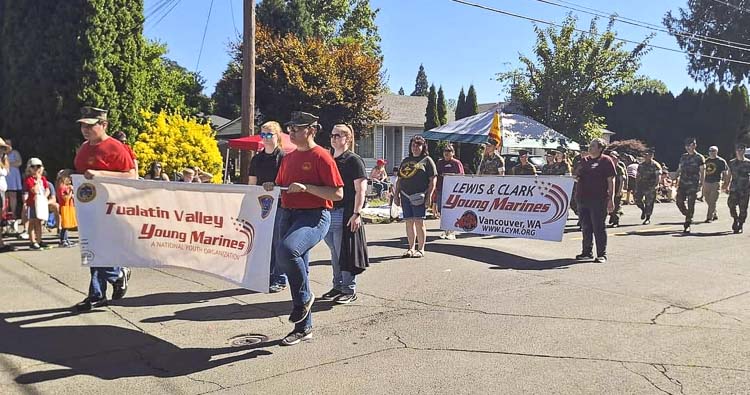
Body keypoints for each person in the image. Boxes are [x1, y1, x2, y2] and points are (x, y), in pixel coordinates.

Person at [271, 111, 343, 346]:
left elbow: (337, 193)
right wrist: (271, 186)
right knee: (296, 268)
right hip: (288, 215)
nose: (290, 132)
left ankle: (304, 299)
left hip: (315, 216)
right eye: (289, 128)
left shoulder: (322, 156)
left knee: (286, 251)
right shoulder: (288, 158)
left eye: (296, 129)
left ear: (311, 131)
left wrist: (306, 188)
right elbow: (282, 186)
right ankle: (304, 327)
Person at [73, 106, 136, 312]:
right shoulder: (84, 148)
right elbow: (83, 173)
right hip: (90, 206)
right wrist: (69, 172)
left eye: (90, 126)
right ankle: (99, 293)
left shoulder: (115, 147)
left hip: (111, 207)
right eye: (83, 125)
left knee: (100, 250)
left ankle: (116, 275)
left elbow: (131, 176)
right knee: (92, 249)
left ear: (104, 125)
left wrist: (101, 175)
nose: (85, 129)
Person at [322, 124, 368, 304]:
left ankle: (349, 289)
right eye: (332, 135)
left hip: (346, 212)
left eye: (338, 135)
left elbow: (361, 190)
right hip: (328, 211)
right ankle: (338, 285)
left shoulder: (354, 160)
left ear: (348, 139)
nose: (334, 138)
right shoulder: (329, 159)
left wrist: (357, 213)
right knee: (334, 252)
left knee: (345, 253)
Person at [248, 121, 287, 293]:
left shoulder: (284, 157)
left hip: (280, 206)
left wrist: (275, 185)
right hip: (261, 206)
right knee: (263, 243)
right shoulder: (257, 159)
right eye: (262, 135)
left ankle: (279, 277)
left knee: (278, 242)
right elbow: (252, 183)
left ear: (277, 136)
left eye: (269, 134)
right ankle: (267, 275)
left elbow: (287, 182)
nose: (265, 138)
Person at [394, 135, 437, 258]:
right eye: (413, 145)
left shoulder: (427, 160)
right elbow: (399, 179)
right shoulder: (405, 160)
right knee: (409, 222)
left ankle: (421, 248)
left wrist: (429, 195)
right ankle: (411, 248)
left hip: (419, 196)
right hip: (405, 195)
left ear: (423, 146)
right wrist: (396, 195)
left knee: (419, 221)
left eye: (418, 145)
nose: (415, 147)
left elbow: (433, 179)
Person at [575, 138, 616, 263]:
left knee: (598, 227)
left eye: (593, 146)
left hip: (599, 199)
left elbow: (611, 180)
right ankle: (587, 252)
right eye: (590, 145)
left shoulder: (606, 161)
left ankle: (601, 254)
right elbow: (577, 176)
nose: (590, 147)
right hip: (583, 198)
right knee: (586, 226)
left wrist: (611, 199)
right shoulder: (584, 160)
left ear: (600, 148)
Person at [675, 137, 706, 233]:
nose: (689, 147)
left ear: (695, 146)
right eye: (687, 146)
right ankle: (687, 214)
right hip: (683, 183)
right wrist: (675, 177)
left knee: (691, 203)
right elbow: (679, 169)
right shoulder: (683, 157)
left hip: (693, 183)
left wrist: (701, 183)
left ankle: (687, 223)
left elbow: (702, 171)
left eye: (691, 145)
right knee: (679, 201)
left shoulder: (699, 157)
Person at [436, 143, 464, 239]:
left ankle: (451, 231)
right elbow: (436, 174)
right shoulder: (440, 162)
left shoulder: (456, 163)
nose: (447, 153)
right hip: (441, 189)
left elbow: (461, 176)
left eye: (449, 151)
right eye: (445, 151)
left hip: (453, 191)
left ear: (453, 153)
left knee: (452, 210)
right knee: (441, 210)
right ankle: (445, 230)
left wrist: (450, 175)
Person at [22, 158, 50, 250]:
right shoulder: (29, 179)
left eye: (38, 166)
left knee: (39, 222)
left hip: (40, 203)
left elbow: (47, 189)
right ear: (29, 168)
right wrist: (37, 180)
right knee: (32, 222)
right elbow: (34, 190)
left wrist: (45, 196)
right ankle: (32, 241)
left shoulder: (43, 179)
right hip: (32, 203)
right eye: (33, 166)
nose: (36, 169)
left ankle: (39, 240)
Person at [724, 143, 750, 234]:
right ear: (736, 151)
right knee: (731, 204)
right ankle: (735, 218)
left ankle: (740, 224)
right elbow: (729, 175)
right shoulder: (732, 162)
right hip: (734, 188)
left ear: (744, 151)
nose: (739, 151)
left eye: (742, 149)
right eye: (738, 149)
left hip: (745, 189)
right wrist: (726, 185)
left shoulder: (748, 163)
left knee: (743, 208)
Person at [634, 149, 661, 225]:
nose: (646, 156)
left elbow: (658, 176)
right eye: (645, 155)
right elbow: (638, 175)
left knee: (649, 202)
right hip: (641, 185)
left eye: (648, 155)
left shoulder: (655, 165)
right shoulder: (641, 165)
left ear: (652, 156)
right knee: (637, 199)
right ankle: (643, 210)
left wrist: (656, 185)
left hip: (651, 186)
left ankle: (647, 218)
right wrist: (636, 185)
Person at [702, 146, 728, 223]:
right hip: (706, 182)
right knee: (707, 199)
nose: (712, 152)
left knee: (713, 200)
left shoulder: (721, 161)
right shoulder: (706, 161)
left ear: (717, 152)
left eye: (713, 151)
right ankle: (714, 212)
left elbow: (725, 172)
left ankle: (709, 217)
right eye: (710, 151)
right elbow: (702, 171)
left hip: (716, 182)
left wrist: (725, 183)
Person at [0, 138, 16, 252]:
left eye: (2, 148)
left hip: (2, 191)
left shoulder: (3, 161)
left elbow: (7, 171)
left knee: (1, 218)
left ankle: (1, 243)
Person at [4, 138, 23, 231]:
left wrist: (9, 164)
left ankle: (13, 212)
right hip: (5, 176)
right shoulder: (2, 155)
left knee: (13, 194)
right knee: (5, 195)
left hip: (13, 175)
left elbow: (19, 162)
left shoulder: (15, 153)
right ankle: (5, 213)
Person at [56, 170, 77, 247]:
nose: (70, 180)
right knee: (65, 225)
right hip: (64, 207)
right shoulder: (62, 187)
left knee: (67, 224)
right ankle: (63, 240)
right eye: (68, 178)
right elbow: (65, 198)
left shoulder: (66, 187)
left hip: (68, 206)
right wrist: (71, 191)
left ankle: (66, 239)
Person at [607, 151, 627, 228]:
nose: (612, 160)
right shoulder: (607, 167)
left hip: (617, 189)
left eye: (614, 158)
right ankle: (612, 216)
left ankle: (616, 221)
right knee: (608, 205)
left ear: (617, 159)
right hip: (608, 189)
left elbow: (622, 180)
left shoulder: (619, 168)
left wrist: (620, 190)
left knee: (616, 205)